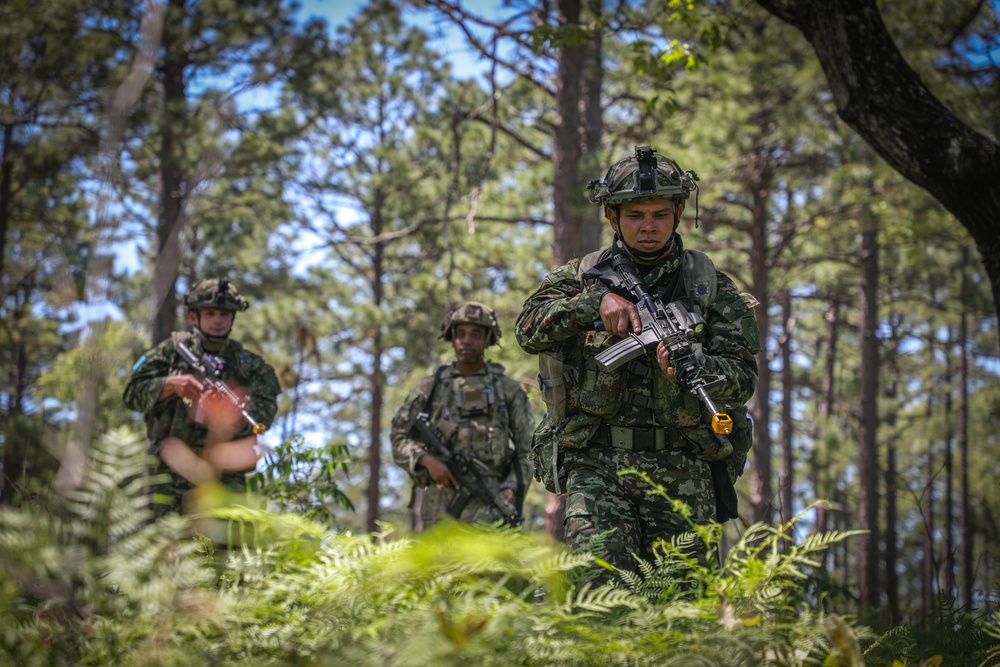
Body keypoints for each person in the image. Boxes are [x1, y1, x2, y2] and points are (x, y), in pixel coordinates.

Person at [515, 145, 761, 579]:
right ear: (613, 218)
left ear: (679, 212)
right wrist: (592, 303)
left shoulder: (709, 287)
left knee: (682, 616)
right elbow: (527, 329)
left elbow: (743, 377)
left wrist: (697, 369)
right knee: (599, 604)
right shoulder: (579, 277)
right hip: (597, 465)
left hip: (684, 467)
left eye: (660, 215)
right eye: (635, 215)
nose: (648, 227)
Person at [124, 278, 281, 517]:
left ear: (233, 318)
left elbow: (262, 419)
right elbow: (132, 396)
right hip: (168, 476)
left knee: (222, 550)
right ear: (194, 316)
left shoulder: (252, 367)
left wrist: (228, 416)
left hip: (225, 480)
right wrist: (169, 385)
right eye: (210, 313)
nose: (217, 320)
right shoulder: (170, 353)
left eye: (224, 314)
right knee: (165, 549)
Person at [391, 302, 534, 531]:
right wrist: (426, 460)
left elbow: (528, 450)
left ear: (489, 338)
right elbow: (399, 437)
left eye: (476, 334)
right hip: (440, 506)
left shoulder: (508, 390)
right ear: (451, 337)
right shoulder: (430, 388)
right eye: (460, 334)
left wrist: (511, 486)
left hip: (493, 499)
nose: (466, 340)